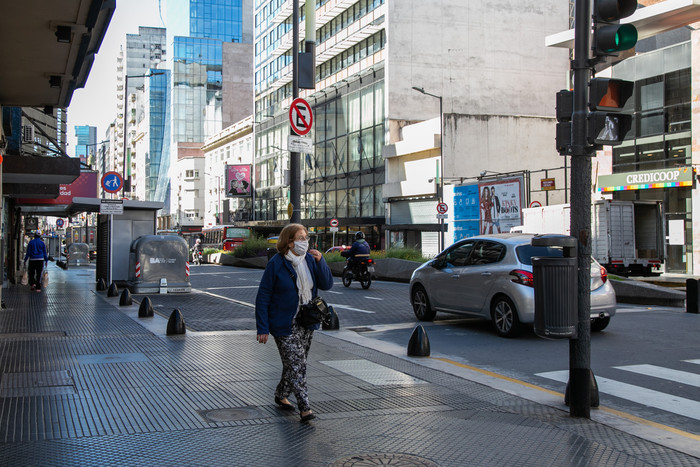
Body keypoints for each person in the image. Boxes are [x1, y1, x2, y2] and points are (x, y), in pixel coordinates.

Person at [255, 223, 333, 423]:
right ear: (289, 242)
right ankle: (305, 408)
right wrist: (262, 327)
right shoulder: (277, 263)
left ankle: (281, 394)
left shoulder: (310, 259)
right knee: (297, 364)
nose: (304, 242)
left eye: (306, 237)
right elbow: (263, 295)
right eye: (300, 238)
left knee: (295, 364)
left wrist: (321, 261)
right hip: (284, 323)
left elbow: (326, 284)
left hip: (307, 321)